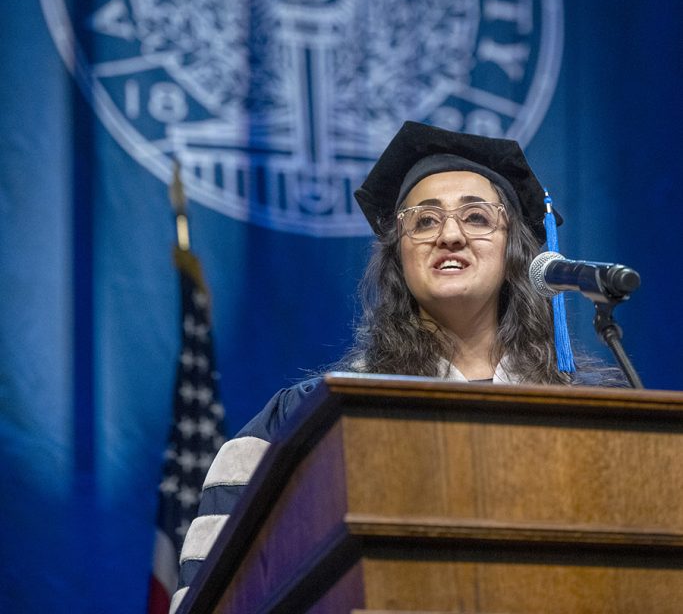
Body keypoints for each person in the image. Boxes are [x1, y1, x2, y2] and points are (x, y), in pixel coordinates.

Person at [170, 121, 617, 612]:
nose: (450, 234)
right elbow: (214, 594)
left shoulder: (583, 418)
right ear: (397, 257)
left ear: (515, 249)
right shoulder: (308, 419)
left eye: (476, 217)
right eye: (424, 221)